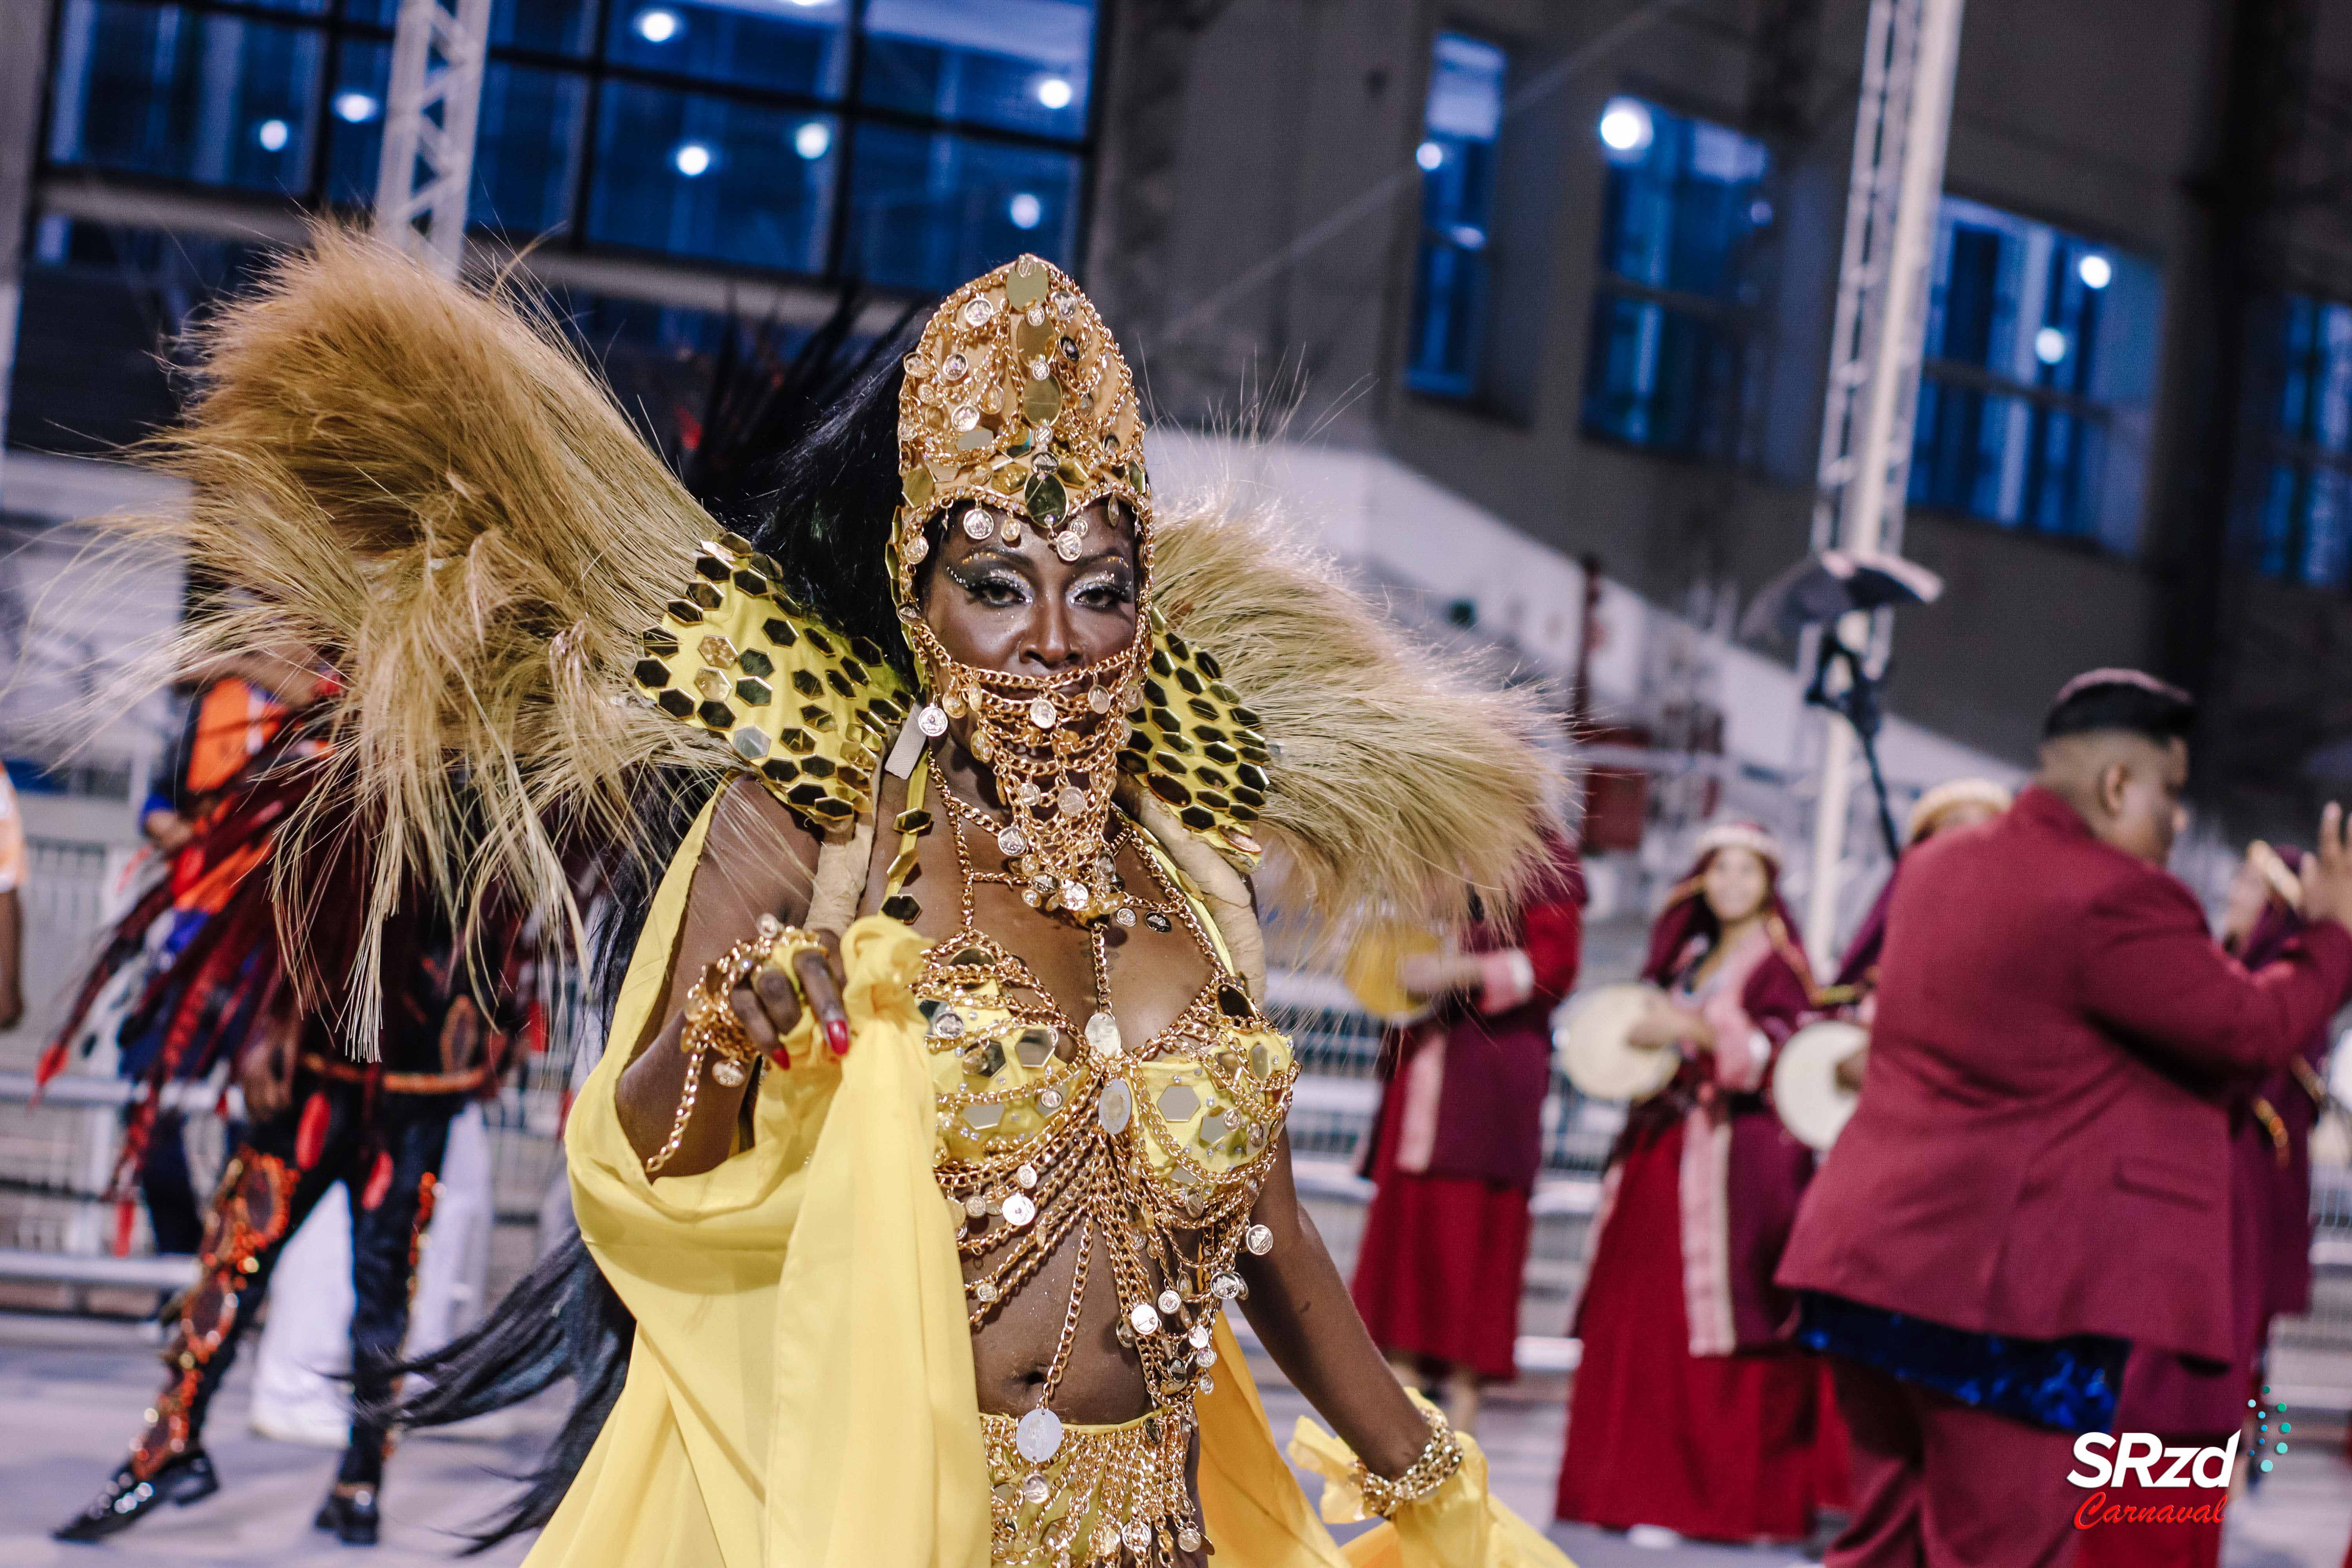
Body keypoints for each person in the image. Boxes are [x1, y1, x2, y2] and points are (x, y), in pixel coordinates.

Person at [105, 233, 1577, 1566]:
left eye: (1104, 587)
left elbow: (1272, 1238)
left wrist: (1449, 1505)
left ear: (1148, 609)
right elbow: (649, 1156)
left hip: (1157, 1536)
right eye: (998, 582)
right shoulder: (820, 819)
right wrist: (729, 1038)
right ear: (916, 589)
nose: (1056, 639)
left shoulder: (1188, 864)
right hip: (888, 1525)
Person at [1779, 670, 2352, 1568]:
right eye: (2169, 793)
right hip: (2002, 1301)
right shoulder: (2113, 894)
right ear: (2119, 784)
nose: (2176, 822)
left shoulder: (1933, 866)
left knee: (1883, 1549)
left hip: (1867, 1269)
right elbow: (2251, 1029)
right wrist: (2334, 932)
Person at [47, 668, 528, 1545]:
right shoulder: (341, 735)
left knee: (384, 1289)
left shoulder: (495, 754)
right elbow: (294, 906)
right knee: (233, 1262)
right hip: (313, 1069)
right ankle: (167, 1449)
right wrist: (269, 1026)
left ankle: (360, 1474)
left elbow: (496, 925)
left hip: (413, 1086)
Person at [1555, 821, 1843, 1544]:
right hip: (1660, 1155)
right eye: (1721, 870)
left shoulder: (1782, 963)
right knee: (1637, 1320)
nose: (1733, 884)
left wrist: (1699, 1030)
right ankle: (1621, 1489)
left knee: (1721, 1326)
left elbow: (1791, 1046)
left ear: (1769, 883)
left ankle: (1713, 1504)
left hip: (1733, 1171)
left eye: (1748, 871)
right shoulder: (1685, 953)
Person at [2075, 838, 2333, 1568]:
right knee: (2168, 1399)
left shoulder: (2266, 998)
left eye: (2254, 882)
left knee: (2181, 1398)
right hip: (2181, 1216)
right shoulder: (2236, 982)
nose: (2235, 890)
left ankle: (2158, 1542)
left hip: (2214, 1218)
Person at [1349, 839, 1584, 1432]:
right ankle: (1397, 1395)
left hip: (1490, 1077)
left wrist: (1465, 971)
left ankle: (1463, 1404)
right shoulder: (1432, 837)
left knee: (1476, 1236)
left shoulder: (1542, 858)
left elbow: (1557, 966)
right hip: (1423, 1064)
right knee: (1407, 1230)